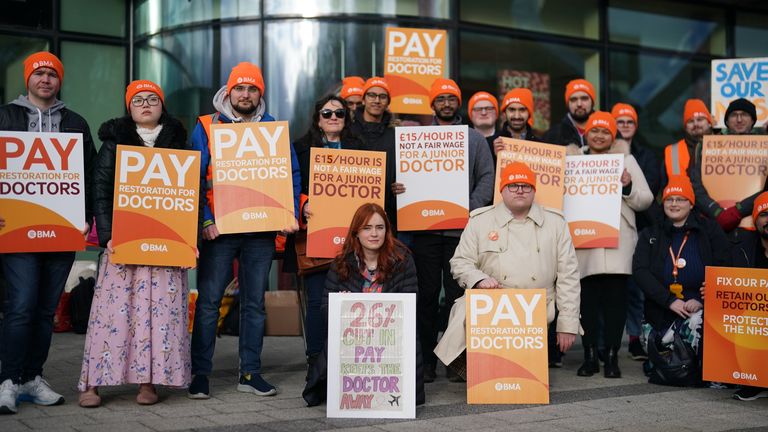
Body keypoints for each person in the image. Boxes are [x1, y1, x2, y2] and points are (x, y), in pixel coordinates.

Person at [188, 62, 300, 399]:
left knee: (255, 304)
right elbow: (194, 175)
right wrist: (205, 220)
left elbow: (290, 173)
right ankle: (200, 374)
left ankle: (250, 373)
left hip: (260, 231)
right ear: (229, 90)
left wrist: (288, 211)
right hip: (219, 230)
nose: (246, 94)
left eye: (252, 89)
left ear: (260, 93)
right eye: (240, 88)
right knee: (209, 303)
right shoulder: (207, 126)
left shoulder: (271, 128)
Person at [77, 80, 192, 407]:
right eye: (138, 100)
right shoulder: (114, 142)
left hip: (166, 245)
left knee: (159, 315)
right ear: (129, 107)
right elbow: (100, 190)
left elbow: (189, 195)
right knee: (111, 315)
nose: (145, 104)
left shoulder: (178, 143)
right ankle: (92, 383)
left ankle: (148, 382)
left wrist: (188, 240)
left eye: (152, 99)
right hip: (123, 244)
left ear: (161, 106)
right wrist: (110, 235)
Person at [0, 51, 97, 415]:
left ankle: (31, 378)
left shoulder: (75, 122)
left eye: (52, 74)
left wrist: (85, 217)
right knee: (21, 306)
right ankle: (7, 380)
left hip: (62, 229)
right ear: (28, 79)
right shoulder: (6, 116)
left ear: (59, 80)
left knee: (44, 311)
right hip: (18, 229)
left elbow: (87, 175)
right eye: (39, 73)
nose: (45, 79)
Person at [435, 161, 581, 377]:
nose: (520, 190)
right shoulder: (479, 221)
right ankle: (469, 368)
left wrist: (567, 324)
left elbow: (569, 276)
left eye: (526, 186)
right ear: (502, 190)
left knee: (522, 379)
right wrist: (478, 279)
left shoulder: (556, 223)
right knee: (462, 310)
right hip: (493, 304)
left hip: (537, 307)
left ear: (534, 191)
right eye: (513, 185)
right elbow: (460, 262)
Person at [394, 78, 494, 382]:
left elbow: (488, 178)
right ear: (432, 104)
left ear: (458, 103)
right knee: (424, 296)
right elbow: (404, 179)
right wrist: (401, 190)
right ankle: (425, 362)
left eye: (452, 98)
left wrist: (468, 208)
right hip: (424, 231)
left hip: (461, 233)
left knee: (457, 298)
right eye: (441, 99)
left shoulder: (474, 139)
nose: (447, 103)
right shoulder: (417, 138)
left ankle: (456, 359)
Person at [302, 203, 425, 406]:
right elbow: (325, 310)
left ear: (387, 231)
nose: (374, 234)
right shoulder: (341, 262)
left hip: (392, 344)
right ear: (356, 233)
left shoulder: (403, 259)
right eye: (367, 228)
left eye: (379, 227)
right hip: (355, 344)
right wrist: (340, 308)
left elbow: (410, 307)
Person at [566, 111, 653, 379]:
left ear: (613, 135)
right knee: (587, 303)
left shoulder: (625, 160)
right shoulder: (572, 160)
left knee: (616, 303)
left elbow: (646, 199)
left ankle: (612, 356)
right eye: (595, 130)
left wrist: (627, 186)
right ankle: (590, 355)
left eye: (605, 131)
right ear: (586, 133)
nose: (600, 135)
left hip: (617, 244)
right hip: (585, 241)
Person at [633, 176, 730, 385]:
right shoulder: (651, 233)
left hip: (699, 311)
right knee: (664, 351)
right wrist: (669, 301)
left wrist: (706, 298)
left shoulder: (709, 230)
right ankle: (672, 363)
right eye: (669, 199)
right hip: (660, 313)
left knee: (699, 322)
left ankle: (705, 370)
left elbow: (725, 266)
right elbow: (640, 271)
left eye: (681, 199)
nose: (674, 204)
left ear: (692, 203)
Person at [292, 94, 363, 375]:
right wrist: (303, 203)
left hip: (353, 240)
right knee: (318, 301)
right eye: (327, 113)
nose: (333, 117)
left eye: (339, 113)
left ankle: (348, 358)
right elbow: (288, 185)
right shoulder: (299, 149)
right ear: (318, 120)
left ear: (346, 119)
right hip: (317, 237)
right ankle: (315, 362)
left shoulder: (361, 150)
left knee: (351, 298)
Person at [610, 102, 660, 361]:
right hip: (611, 228)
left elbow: (650, 185)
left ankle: (635, 338)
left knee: (636, 287)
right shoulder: (603, 154)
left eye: (629, 122)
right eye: (620, 121)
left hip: (642, 227)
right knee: (617, 289)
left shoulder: (645, 155)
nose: (625, 126)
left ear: (636, 126)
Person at [726, 192, 768, 401]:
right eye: (765, 214)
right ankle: (754, 382)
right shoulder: (741, 246)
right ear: (755, 219)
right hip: (753, 320)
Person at [350, 77, 399, 229]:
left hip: (387, 215)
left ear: (388, 102)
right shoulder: (347, 131)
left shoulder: (397, 135)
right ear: (363, 100)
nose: (377, 100)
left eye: (382, 96)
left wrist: (400, 184)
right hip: (350, 211)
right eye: (372, 95)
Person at [544, 79, 596, 147]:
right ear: (568, 104)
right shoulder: (553, 135)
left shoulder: (606, 132)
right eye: (574, 100)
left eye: (584, 98)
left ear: (592, 102)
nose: (579, 104)